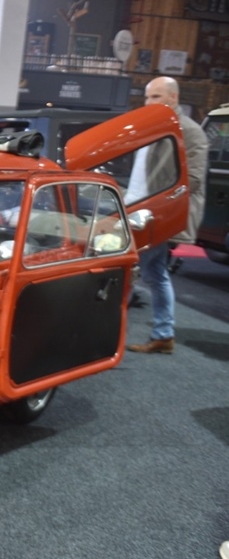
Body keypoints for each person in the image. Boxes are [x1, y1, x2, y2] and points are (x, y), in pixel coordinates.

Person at [126, 76, 208, 354]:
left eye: (156, 96)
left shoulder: (190, 131)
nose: (149, 102)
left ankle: (106, 334)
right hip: (136, 210)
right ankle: (163, 334)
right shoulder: (149, 126)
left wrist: (157, 206)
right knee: (150, 272)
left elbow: (192, 180)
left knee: (130, 269)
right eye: (147, 97)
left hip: (155, 216)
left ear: (173, 98)